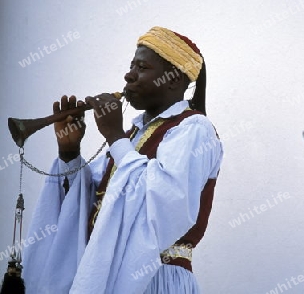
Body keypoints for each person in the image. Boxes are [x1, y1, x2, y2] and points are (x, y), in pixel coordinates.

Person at [21, 26, 223, 294]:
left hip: (157, 277)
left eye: (142, 67)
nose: (129, 75)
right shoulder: (133, 135)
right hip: (112, 276)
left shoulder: (194, 128)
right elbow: (101, 205)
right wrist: (69, 152)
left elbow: (163, 202)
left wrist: (115, 135)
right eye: (131, 65)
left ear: (173, 79)